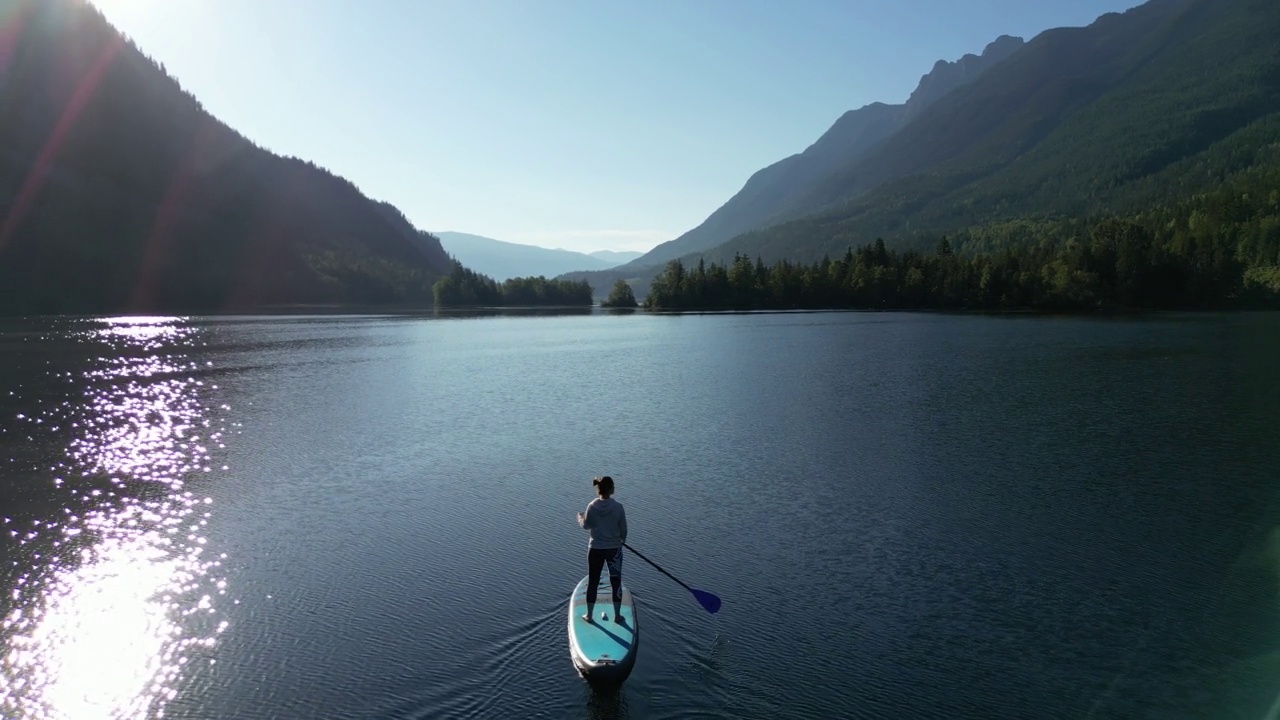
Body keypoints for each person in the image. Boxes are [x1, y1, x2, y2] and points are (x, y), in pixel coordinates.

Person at [576, 475, 627, 624]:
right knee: (615, 581)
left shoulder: (592, 506)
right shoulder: (618, 507)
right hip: (614, 550)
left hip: (596, 549)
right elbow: (624, 530)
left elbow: (587, 526)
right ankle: (617, 616)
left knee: (593, 581)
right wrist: (622, 540)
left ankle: (589, 615)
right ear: (611, 489)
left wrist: (580, 518)